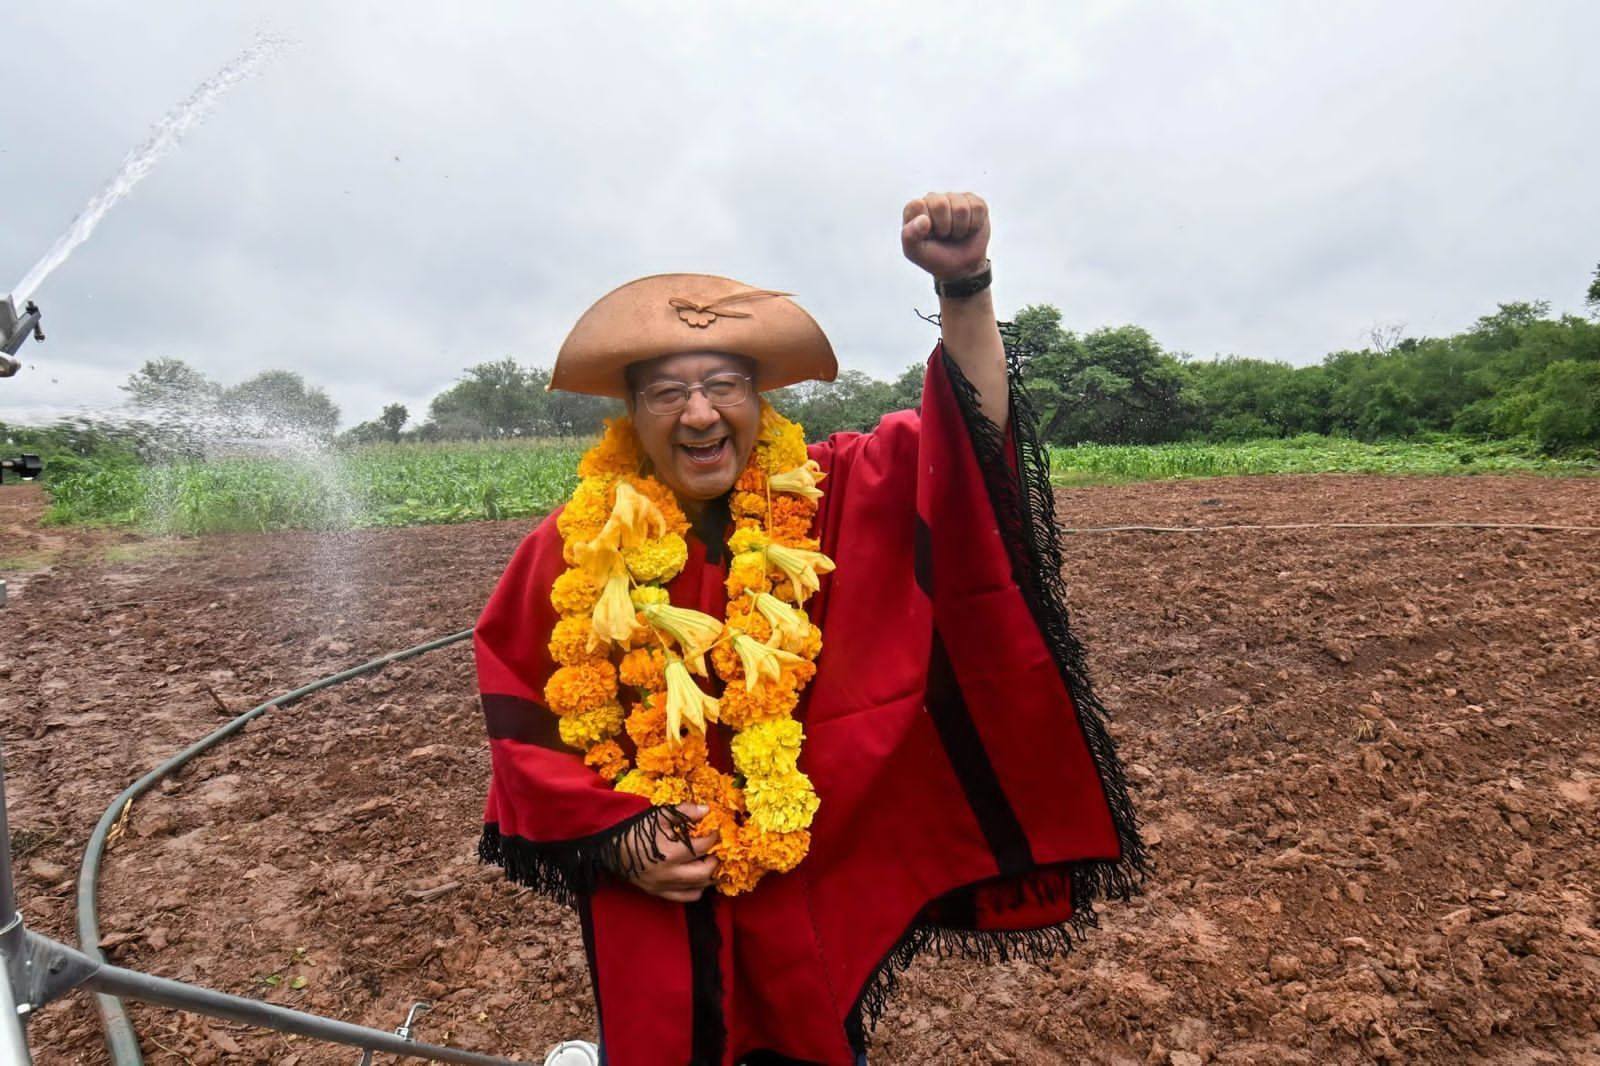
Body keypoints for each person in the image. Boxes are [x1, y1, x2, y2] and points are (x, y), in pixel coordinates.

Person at [476, 193, 1146, 1066]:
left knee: (808, 1039)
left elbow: (963, 447)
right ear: (631, 415)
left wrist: (966, 287)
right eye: (668, 391)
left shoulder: (828, 493)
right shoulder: (573, 548)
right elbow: (524, 712)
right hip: (655, 888)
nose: (701, 413)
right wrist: (618, 839)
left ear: (758, 397)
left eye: (722, 384)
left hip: (802, 877)